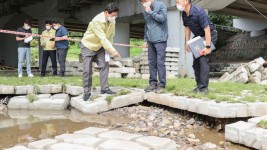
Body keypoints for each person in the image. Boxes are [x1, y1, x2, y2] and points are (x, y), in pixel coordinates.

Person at [81, 3, 121, 101]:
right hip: (88, 46)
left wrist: (109, 49)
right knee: (87, 70)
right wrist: (113, 51)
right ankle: (87, 92)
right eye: (113, 15)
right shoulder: (96, 21)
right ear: (107, 13)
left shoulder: (112, 21)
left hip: (101, 46)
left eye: (116, 15)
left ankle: (104, 89)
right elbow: (102, 38)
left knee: (104, 66)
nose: (114, 17)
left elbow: (111, 36)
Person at [176, 0, 218, 94]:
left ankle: (204, 88)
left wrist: (207, 47)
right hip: (198, 38)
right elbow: (187, 27)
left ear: (186, 1)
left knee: (203, 60)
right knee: (196, 63)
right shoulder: (183, 13)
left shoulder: (199, 12)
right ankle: (199, 86)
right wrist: (187, 43)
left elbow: (207, 30)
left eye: (179, 0)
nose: (177, 2)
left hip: (209, 35)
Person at [139, 0, 168, 93]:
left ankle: (162, 84)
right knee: (152, 63)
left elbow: (162, 18)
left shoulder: (161, 5)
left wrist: (150, 12)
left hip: (160, 39)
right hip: (150, 40)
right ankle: (153, 84)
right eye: (142, 2)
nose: (144, 3)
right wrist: (145, 40)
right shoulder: (145, 10)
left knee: (160, 62)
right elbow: (146, 26)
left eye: (145, 1)